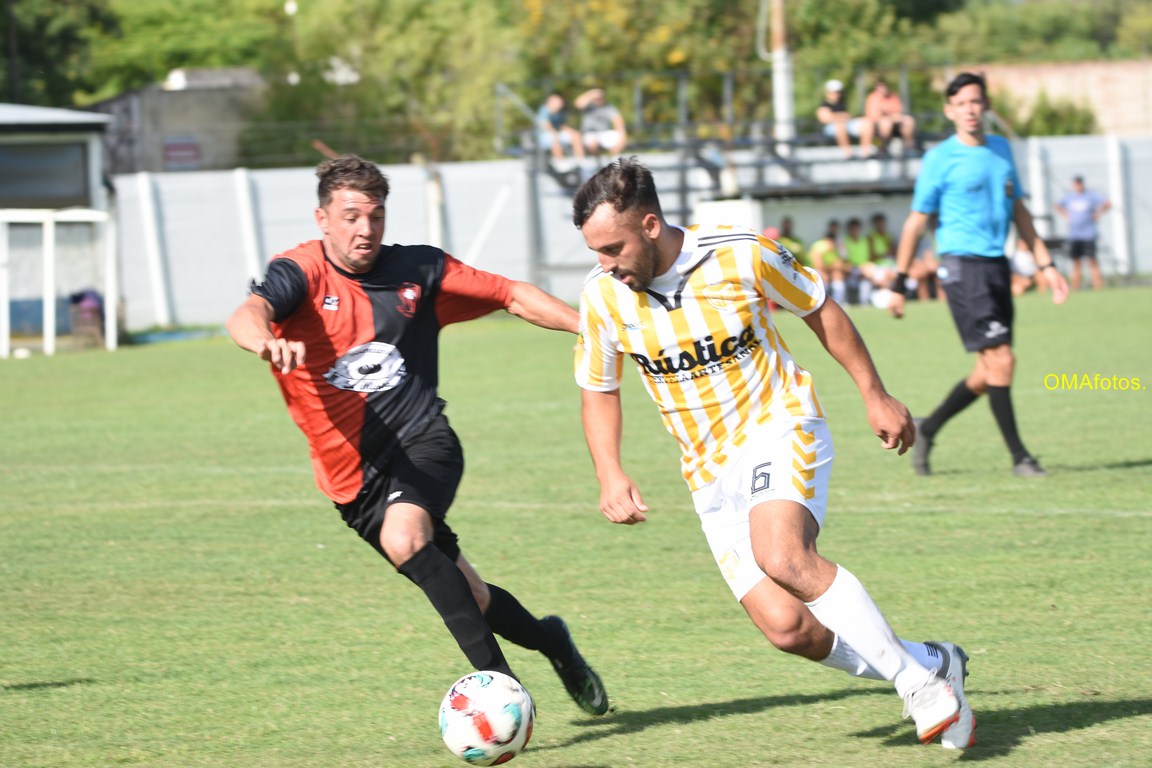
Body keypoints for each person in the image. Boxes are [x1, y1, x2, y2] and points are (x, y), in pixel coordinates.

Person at [571, 157, 974, 749]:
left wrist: (874, 392)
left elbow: (820, 309)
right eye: (595, 252)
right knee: (789, 629)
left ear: (651, 225)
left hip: (780, 425)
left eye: (612, 248)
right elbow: (598, 389)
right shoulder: (603, 296)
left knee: (782, 556)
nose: (605, 265)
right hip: (707, 471)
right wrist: (609, 471)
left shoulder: (742, 254)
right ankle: (933, 662)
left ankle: (918, 685)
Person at [226, 155, 609, 716]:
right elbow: (248, 312)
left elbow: (511, 293)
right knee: (471, 596)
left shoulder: (419, 270)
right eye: (351, 215)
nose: (365, 229)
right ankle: (552, 641)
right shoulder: (300, 273)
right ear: (323, 218)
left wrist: (592, 328)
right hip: (351, 484)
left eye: (375, 215)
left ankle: (502, 696)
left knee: (406, 538)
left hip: (421, 441)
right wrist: (262, 340)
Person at [888, 72, 1069, 477]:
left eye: (976, 102)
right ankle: (1021, 457)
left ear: (985, 106)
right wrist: (900, 285)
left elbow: (1019, 212)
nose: (971, 109)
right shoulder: (939, 159)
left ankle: (928, 427)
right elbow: (916, 224)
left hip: (996, 267)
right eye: (962, 103)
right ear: (950, 111)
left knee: (989, 371)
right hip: (960, 266)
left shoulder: (1002, 149)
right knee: (1002, 360)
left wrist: (1047, 265)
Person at [1055, 175, 1110, 291]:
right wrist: (1066, 215)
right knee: (1076, 262)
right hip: (1074, 235)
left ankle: (1098, 286)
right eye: (1075, 184)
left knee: (1092, 260)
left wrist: (1098, 213)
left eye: (1079, 184)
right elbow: (1057, 205)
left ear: (1082, 184)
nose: (1078, 186)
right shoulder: (1069, 197)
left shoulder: (1091, 195)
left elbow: (1107, 203)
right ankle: (1075, 287)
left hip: (1088, 234)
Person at [816, 79, 875, 158]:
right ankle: (847, 153)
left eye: (838, 92)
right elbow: (824, 118)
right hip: (832, 128)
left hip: (847, 125)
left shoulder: (844, 102)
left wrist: (838, 116)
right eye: (833, 92)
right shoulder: (824, 105)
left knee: (867, 122)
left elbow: (850, 115)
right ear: (828, 93)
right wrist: (839, 117)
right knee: (840, 125)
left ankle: (865, 152)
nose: (836, 94)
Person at [864, 79, 917, 155]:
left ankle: (909, 147)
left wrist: (892, 116)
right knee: (885, 123)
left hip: (895, 123)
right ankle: (883, 147)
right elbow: (872, 115)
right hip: (878, 125)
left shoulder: (893, 96)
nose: (883, 90)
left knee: (909, 121)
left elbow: (898, 112)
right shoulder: (872, 98)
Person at [575, 88, 628, 158]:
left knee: (621, 138)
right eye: (596, 98)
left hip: (604, 132)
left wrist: (623, 135)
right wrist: (591, 94)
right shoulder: (588, 106)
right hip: (590, 133)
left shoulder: (609, 107)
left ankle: (611, 160)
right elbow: (578, 104)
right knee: (593, 142)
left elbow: (618, 121)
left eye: (600, 98)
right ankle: (596, 161)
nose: (598, 99)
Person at [536, 92, 586, 163]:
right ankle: (560, 161)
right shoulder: (544, 110)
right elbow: (545, 125)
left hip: (558, 133)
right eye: (558, 102)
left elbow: (561, 125)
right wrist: (554, 132)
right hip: (545, 135)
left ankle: (580, 160)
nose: (560, 104)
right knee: (554, 137)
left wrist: (572, 131)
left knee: (576, 135)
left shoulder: (560, 112)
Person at [807, 219, 847, 304]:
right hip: (813, 270)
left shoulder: (837, 247)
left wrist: (835, 267)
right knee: (823, 275)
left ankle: (838, 302)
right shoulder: (819, 246)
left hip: (828, 269)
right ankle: (821, 302)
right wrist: (832, 267)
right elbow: (818, 265)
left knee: (838, 275)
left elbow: (840, 264)